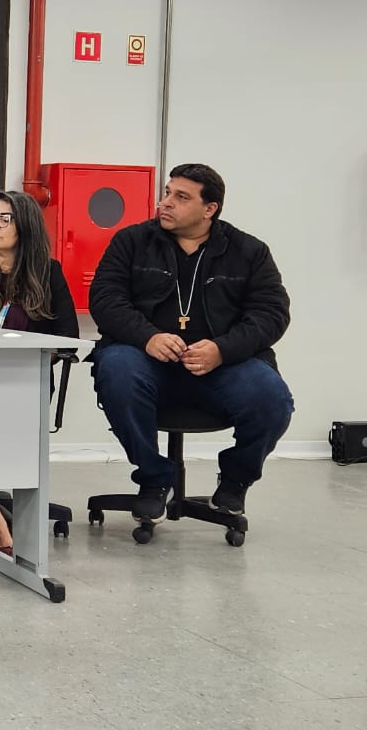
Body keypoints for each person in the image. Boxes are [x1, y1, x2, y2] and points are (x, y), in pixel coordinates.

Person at [89, 163, 293, 524]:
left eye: (181, 197)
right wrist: (147, 337)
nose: (166, 202)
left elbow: (271, 314)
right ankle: (154, 479)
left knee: (273, 398)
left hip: (222, 368)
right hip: (146, 363)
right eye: (167, 192)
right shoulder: (131, 241)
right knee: (117, 368)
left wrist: (221, 349)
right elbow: (105, 299)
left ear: (209, 208)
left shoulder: (249, 251)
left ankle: (236, 480)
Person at [0, 190, 78, 553]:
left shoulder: (47, 272)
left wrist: (31, 359)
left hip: (23, 382)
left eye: (3, 219)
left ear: (24, 226)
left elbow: (68, 338)